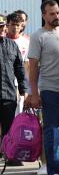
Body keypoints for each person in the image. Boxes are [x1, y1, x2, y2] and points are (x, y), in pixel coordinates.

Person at [25, 0, 59, 175]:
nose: (56, 16)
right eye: (52, 14)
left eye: (58, 13)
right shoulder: (38, 36)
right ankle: (53, 170)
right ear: (44, 15)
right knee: (52, 131)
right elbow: (33, 67)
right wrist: (34, 93)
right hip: (49, 90)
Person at [0, 16, 26, 144]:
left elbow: (20, 69)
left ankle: (9, 154)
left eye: (3, 26)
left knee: (9, 127)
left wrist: (23, 90)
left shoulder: (12, 45)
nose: (2, 29)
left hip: (9, 95)